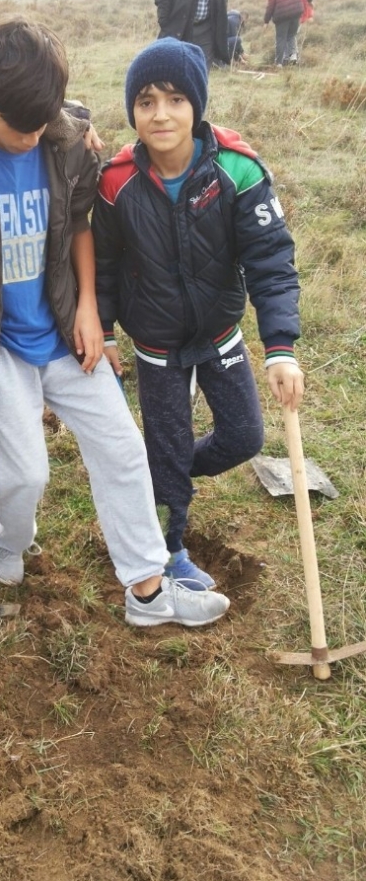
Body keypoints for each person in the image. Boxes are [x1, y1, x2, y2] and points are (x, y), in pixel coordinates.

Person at [0, 20, 230, 628]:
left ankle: (148, 592)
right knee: (25, 477)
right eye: (18, 126)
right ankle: (6, 536)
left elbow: (80, 220)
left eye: (43, 122)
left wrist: (87, 307)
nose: (32, 137)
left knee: (124, 451)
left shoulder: (63, 136)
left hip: (60, 329)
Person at [92, 38, 305, 588]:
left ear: (197, 104)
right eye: (145, 101)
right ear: (132, 110)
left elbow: (270, 261)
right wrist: (107, 333)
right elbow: (104, 265)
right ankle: (168, 549)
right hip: (156, 347)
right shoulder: (116, 183)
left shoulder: (238, 170)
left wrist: (280, 348)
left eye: (175, 99)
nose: (160, 114)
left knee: (243, 438)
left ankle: (163, 475)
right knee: (165, 455)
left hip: (221, 335)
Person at [264, 0, 313, 66]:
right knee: (291, 35)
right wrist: (310, 0)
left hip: (281, 16)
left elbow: (270, 6)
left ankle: (278, 63)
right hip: (296, 13)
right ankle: (293, 56)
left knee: (281, 38)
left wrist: (266, 20)